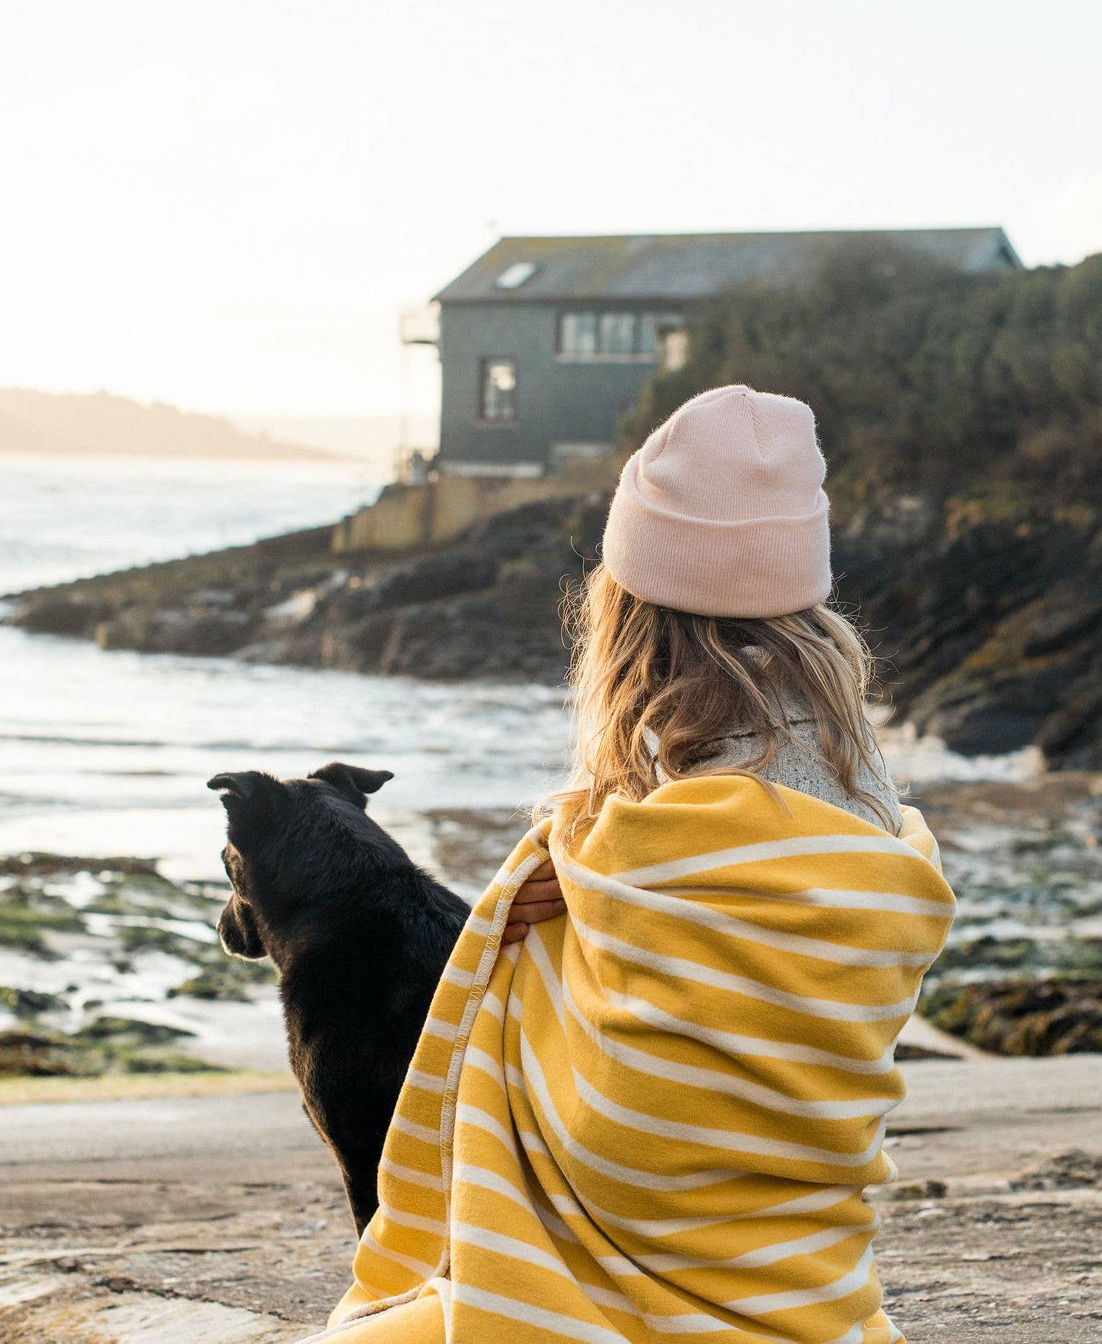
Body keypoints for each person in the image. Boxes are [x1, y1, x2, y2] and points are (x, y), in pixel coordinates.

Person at [310, 385, 956, 1343]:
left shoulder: (616, 846)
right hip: (797, 1288)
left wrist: (552, 904)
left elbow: (619, 1132)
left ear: (629, 610)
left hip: (592, 1287)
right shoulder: (870, 815)